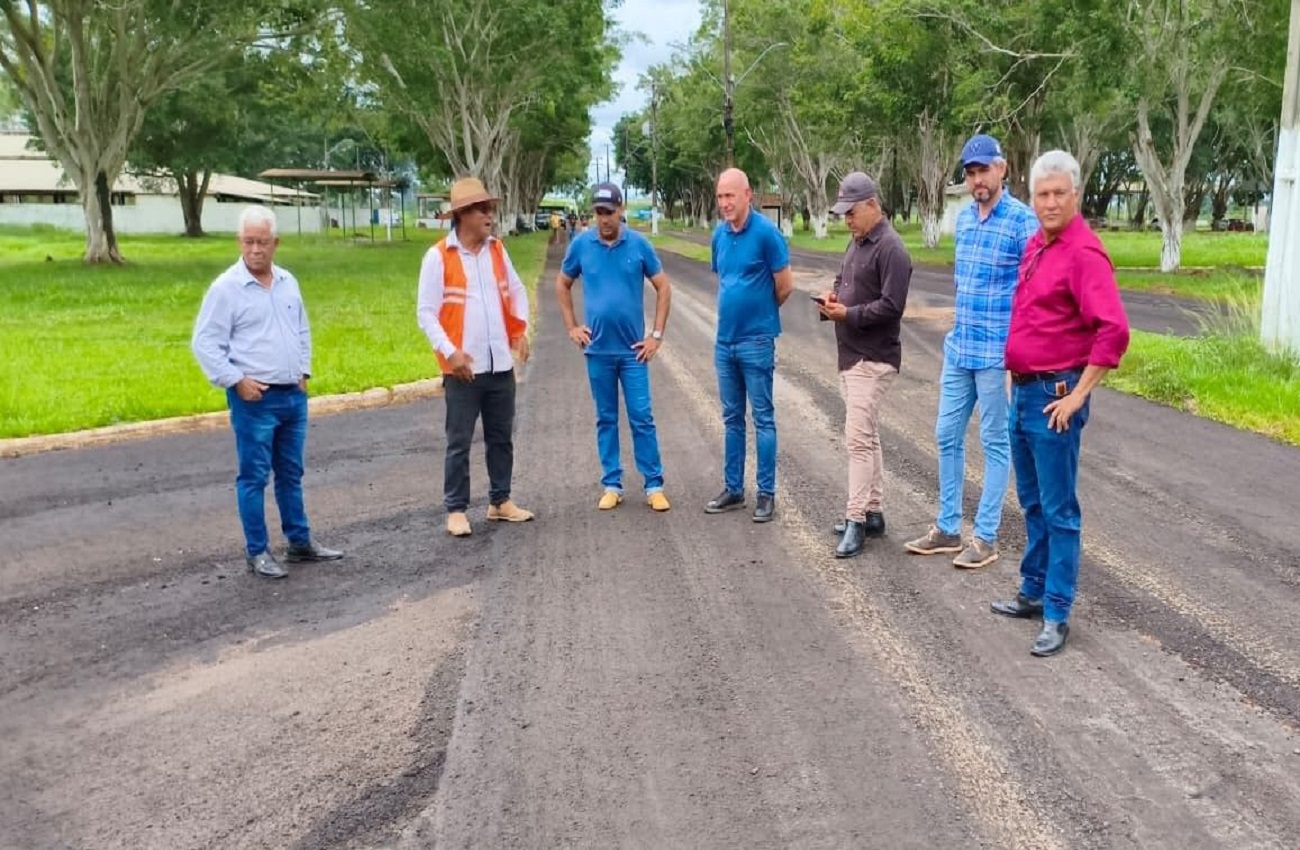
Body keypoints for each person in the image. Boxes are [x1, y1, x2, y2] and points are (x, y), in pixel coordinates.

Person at [990, 150, 1130, 657]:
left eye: (1058, 194)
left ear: (1075, 195)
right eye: (1041, 194)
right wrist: (1013, 376)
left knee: (1059, 509)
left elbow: (1113, 331)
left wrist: (1077, 395)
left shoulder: (1083, 253)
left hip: (1054, 399)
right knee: (1030, 503)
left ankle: (1056, 611)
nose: (1049, 202)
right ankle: (1032, 590)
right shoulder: (1036, 246)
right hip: (1023, 390)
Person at [905, 134, 1039, 569]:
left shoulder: (1022, 222)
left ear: (1002, 169)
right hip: (960, 348)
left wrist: (1018, 354)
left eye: (984, 170)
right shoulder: (963, 221)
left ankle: (985, 536)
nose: (977, 180)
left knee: (994, 442)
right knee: (946, 434)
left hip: (998, 355)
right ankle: (947, 527)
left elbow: (1033, 293)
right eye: (970, 173)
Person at [191, 206, 344, 579]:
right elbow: (204, 343)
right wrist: (234, 380)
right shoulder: (226, 288)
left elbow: (301, 329)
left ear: (275, 243)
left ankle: (299, 541)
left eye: (262, 242)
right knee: (254, 476)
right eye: (248, 242)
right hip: (255, 400)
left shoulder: (288, 282)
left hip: (292, 395)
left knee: (291, 472)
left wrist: (304, 371)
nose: (255, 249)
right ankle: (257, 550)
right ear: (239, 242)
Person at [417, 176, 534, 538]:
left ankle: (500, 501)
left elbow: (515, 290)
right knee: (460, 440)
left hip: (499, 362)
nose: (490, 215)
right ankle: (455, 509)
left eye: (491, 209)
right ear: (463, 214)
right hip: (463, 370)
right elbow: (426, 312)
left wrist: (522, 328)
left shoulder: (497, 250)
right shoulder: (438, 257)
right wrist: (450, 353)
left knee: (502, 436)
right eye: (483, 209)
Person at [556, 182, 674, 512]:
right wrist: (572, 327)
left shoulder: (639, 245)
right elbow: (563, 284)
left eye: (609, 212)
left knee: (641, 416)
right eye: (598, 213)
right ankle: (612, 483)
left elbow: (663, 288)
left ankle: (654, 484)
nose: (603, 219)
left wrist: (656, 336)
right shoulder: (581, 246)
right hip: (598, 352)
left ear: (620, 210)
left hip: (633, 352)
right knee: (606, 418)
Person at [817, 172, 911, 558]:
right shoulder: (857, 243)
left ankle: (855, 519)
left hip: (873, 358)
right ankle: (873, 512)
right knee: (867, 437)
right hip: (851, 354)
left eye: (851, 213)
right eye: (842, 214)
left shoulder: (892, 249)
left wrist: (848, 314)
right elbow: (845, 280)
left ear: (872, 205)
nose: (847, 221)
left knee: (856, 439)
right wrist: (833, 298)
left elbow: (892, 307)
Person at [705, 168, 794, 522]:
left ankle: (766, 493)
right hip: (724, 342)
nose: (725, 203)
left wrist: (760, 315)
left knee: (763, 418)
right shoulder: (719, 236)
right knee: (731, 418)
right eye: (720, 197)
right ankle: (733, 488)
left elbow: (784, 285)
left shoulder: (767, 235)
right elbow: (725, 279)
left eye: (731, 195)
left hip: (756, 341)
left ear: (748, 194)